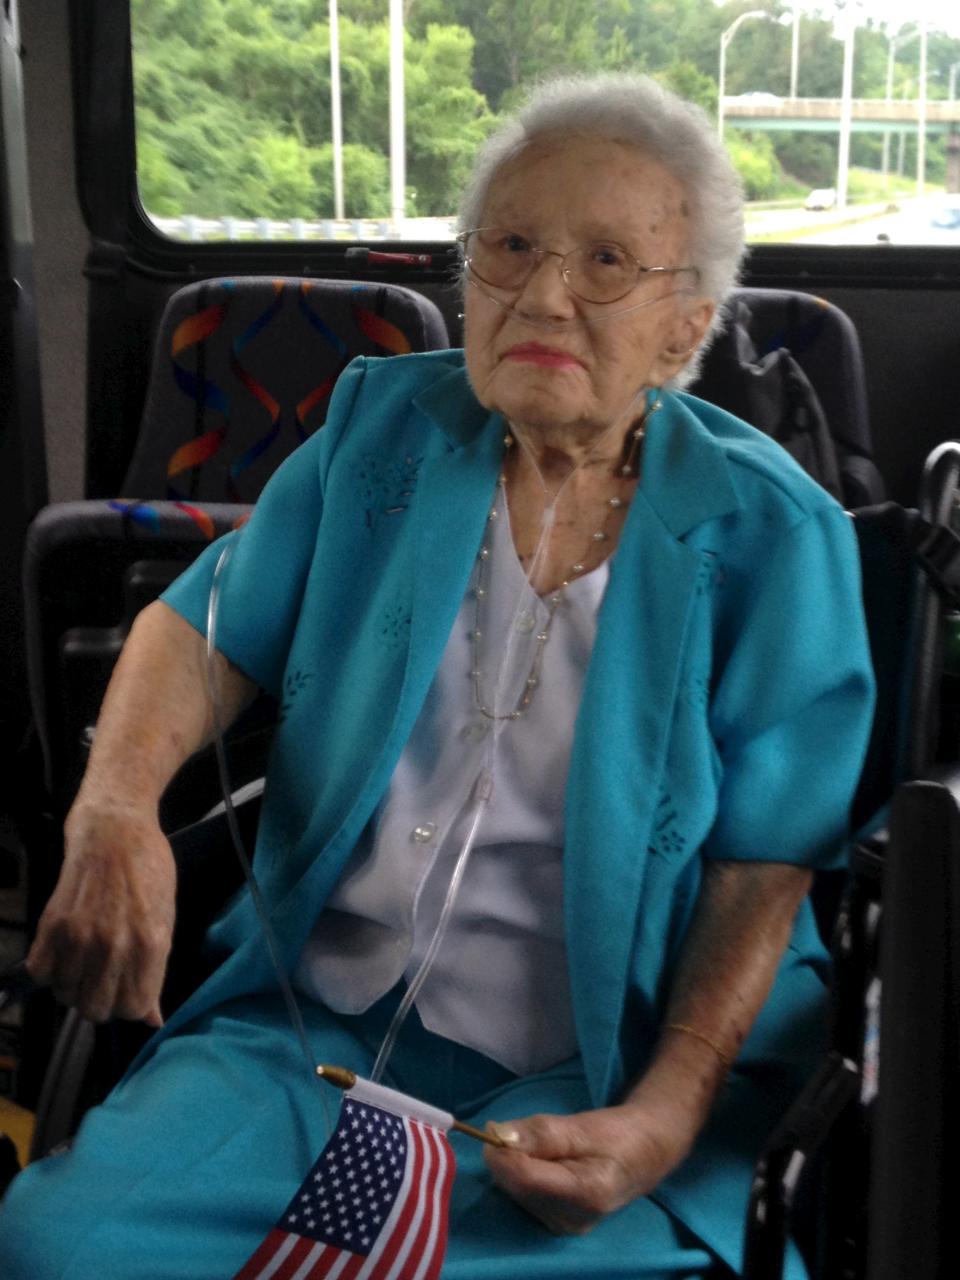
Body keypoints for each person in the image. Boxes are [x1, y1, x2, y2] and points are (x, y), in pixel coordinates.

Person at [0, 73, 874, 1279]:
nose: (544, 295)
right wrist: (114, 809)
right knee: (54, 1246)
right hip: (312, 1033)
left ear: (688, 319)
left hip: (603, 1072)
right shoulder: (382, 429)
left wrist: (663, 1117)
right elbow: (202, 625)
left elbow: (762, 872)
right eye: (510, 245)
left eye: (608, 260)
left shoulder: (777, 532)